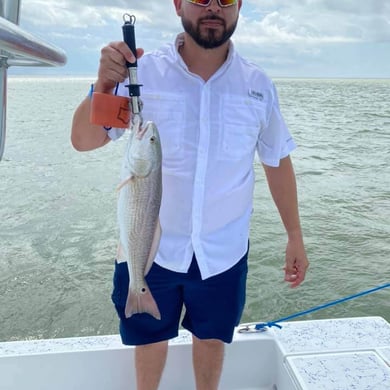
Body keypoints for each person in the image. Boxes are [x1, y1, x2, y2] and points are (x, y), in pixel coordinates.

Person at [71, 0, 309, 389]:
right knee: (149, 340)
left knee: (213, 338)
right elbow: (83, 140)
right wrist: (102, 85)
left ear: (240, 6)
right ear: (179, 4)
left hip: (223, 250)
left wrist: (295, 235)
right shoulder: (141, 74)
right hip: (150, 248)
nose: (213, 7)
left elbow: (276, 160)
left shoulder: (258, 84)